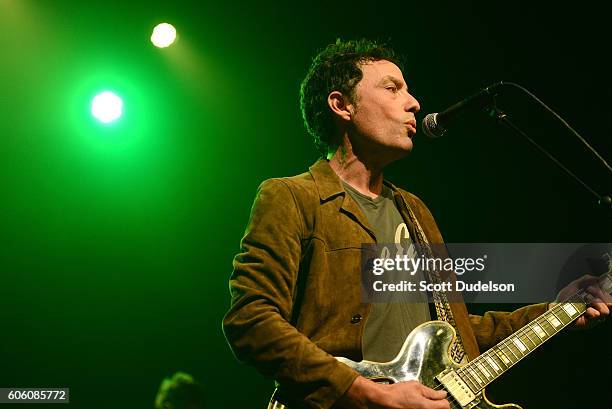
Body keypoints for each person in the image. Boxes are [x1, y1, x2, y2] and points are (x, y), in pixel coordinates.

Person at [222, 39, 611, 409]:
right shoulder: (292, 197)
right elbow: (251, 319)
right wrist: (366, 394)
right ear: (342, 105)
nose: (414, 103)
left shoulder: (415, 211)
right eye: (393, 89)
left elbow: (457, 334)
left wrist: (556, 311)